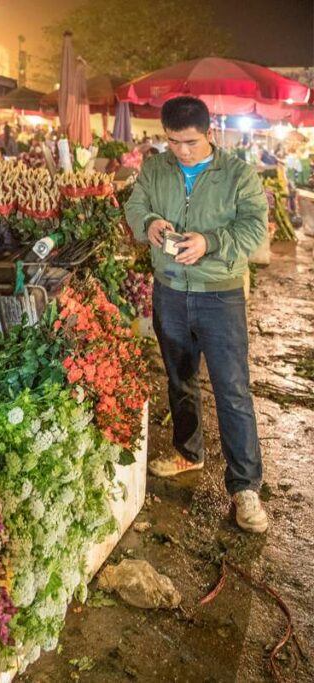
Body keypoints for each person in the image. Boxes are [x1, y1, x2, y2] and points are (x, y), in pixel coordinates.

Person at [125, 96, 269, 534]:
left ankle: (245, 486)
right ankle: (189, 452)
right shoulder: (156, 168)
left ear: (209, 133)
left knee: (231, 389)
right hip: (169, 290)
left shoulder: (238, 174)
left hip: (219, 294)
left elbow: (255, 228)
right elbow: (134, 206)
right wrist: (148, 222)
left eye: (189, 142)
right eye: (173, 142)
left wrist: (209, 242)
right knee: (180, 377)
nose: (181, 151)